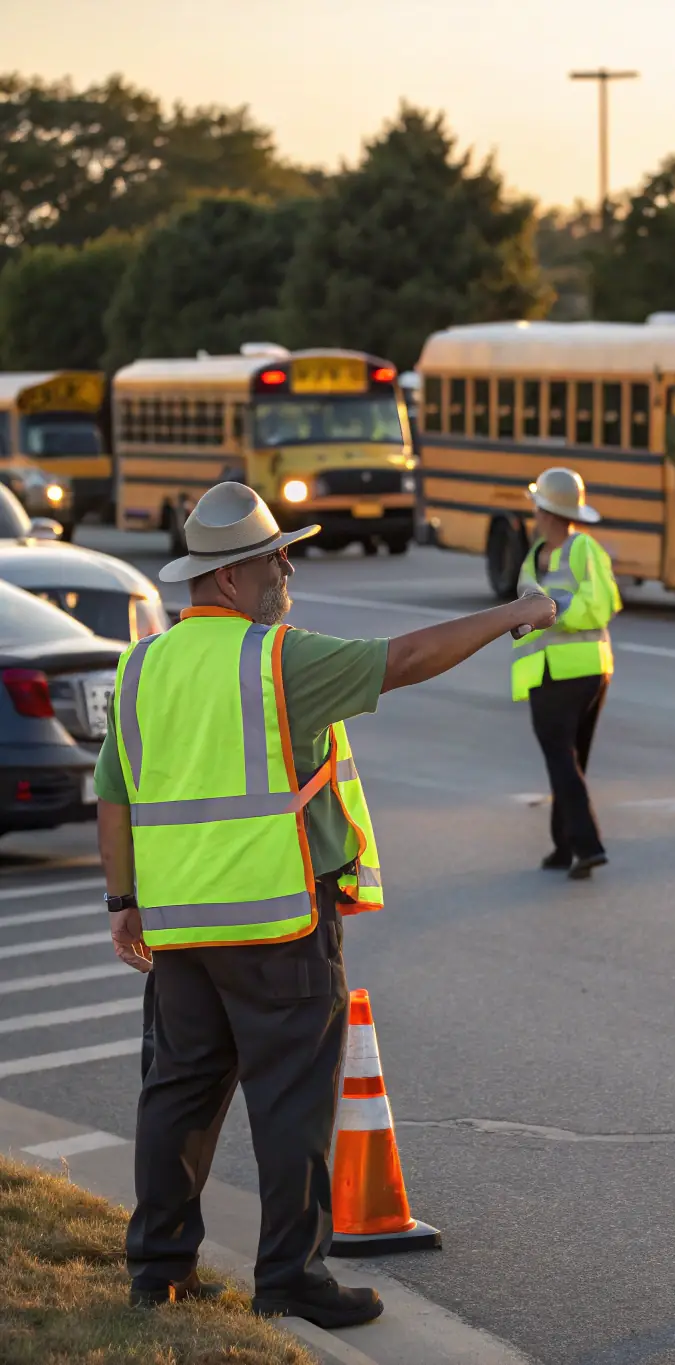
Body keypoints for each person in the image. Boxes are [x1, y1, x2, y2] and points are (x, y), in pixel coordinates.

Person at [95, 481, 555, 1329]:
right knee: (291, 1104)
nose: (288, 568)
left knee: (177, 1098)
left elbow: (114, 797)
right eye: (276, 557)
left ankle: (157, 1269)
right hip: (278, 922)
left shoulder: (140, 666)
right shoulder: (276, 657)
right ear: (230, 578)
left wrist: (123, 900)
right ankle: (292, 1278)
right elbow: (406, 658)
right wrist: (513, 612)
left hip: (179, 929)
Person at [512, 468, 621, 880]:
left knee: (562, 759)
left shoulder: (583, 549)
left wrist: (549, 615)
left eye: (538, 507)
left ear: (548, 511)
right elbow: (521, 604)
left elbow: (602, 604)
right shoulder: (535, 552)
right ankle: (564, 846)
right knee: (567, 762)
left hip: (581, 671)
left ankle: (587, 845)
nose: (534, 514)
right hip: (545, 671)